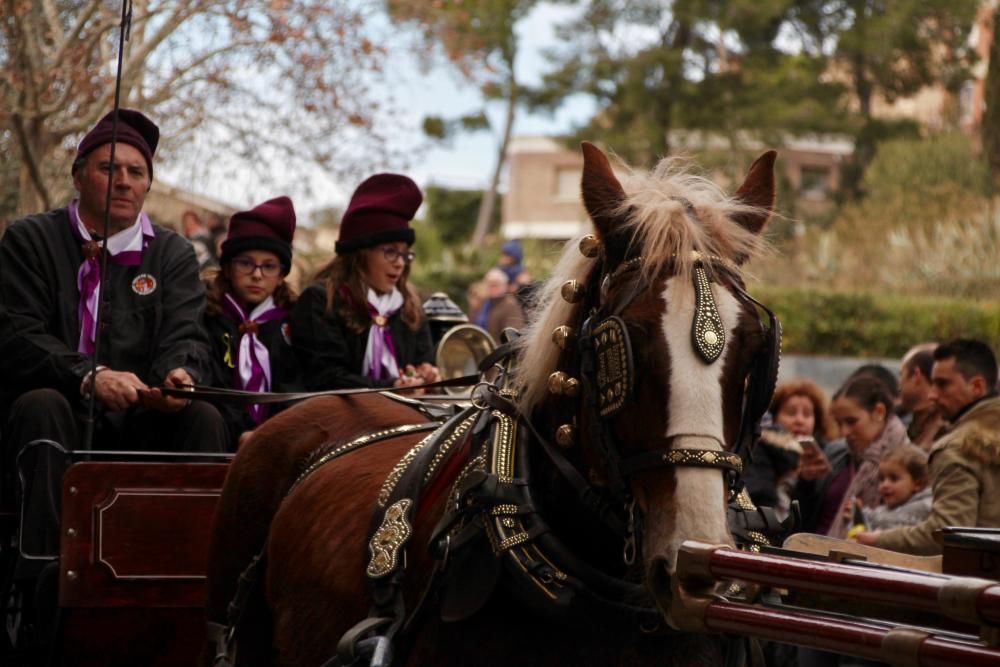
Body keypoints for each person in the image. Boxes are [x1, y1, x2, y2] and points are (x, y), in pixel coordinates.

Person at [0, 110, 226, 579]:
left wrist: (179, 376)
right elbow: (17, 334)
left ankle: (188, 581)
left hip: (140, 419)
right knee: (41, 406)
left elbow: (186, 334)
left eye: (136, 172)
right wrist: (88, 376)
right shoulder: (29, 240)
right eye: (109, 169)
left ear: (148, 185)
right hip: (57, 412)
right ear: (78, 176)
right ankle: (41, 585)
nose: (124, 182)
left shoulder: (174, 253)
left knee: (202, 416)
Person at [291, 173, 441, 390]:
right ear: (360, 254)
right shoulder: (321, 300)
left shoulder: (410, 306)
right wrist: (391, 387)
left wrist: (425, 372)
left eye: (404, 254)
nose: (400, 263)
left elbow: (421, 360)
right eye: (390, 252)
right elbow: (324, 378)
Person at [856, 339, 1000, 554]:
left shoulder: (957, 448)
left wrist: (879, 539)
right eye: (932, 384)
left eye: (943, 384)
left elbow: (949, 533)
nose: (932, 395)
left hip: (980, 579)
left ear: (977, 386)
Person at [201, 196, 302, 449]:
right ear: (227, 268)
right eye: (246, 263)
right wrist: (244, 431)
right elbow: (212, 385)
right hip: (220, 437)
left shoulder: (292, 322)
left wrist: (267, 435)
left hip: (276, 443)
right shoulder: (208, 313)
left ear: (281, 276)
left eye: (268, 266)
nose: (257, 274)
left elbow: (294, 388)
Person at [795, 376, 909, 538]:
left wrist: (866, 517)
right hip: (814, 551)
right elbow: (803, 520)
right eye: (839, 424)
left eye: (851, 422)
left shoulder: (908, 460)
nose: (845, 432)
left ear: (879, 412)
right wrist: (807, 481)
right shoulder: (837, 453)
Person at [745, 379, 836, 518]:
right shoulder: (757, 451)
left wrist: (807, 481)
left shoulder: (829, 456)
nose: (800, 420)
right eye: (791, 413)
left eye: (807, 414)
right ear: (774, 418)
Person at [855, 444, 932, 532]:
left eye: (894, 479)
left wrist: (863, 515)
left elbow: (889, 524)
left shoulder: (925, 506)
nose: (885, 484)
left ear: (917, 484)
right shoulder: (884, 510)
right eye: (881, 479)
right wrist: (856, 515)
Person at [898, 343, 945, 450]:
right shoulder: (917, 423)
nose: (899, 385)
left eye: (901, 375)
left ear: (916, 375)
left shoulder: (942, 427)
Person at [470, 267, 526, 341]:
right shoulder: (482, 303)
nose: (493, 288)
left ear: (504, 286)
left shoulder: (510, 305)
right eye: (490, 284)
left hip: (497, 349)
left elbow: (512, 334)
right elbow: (471, 325)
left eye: (496, 285)